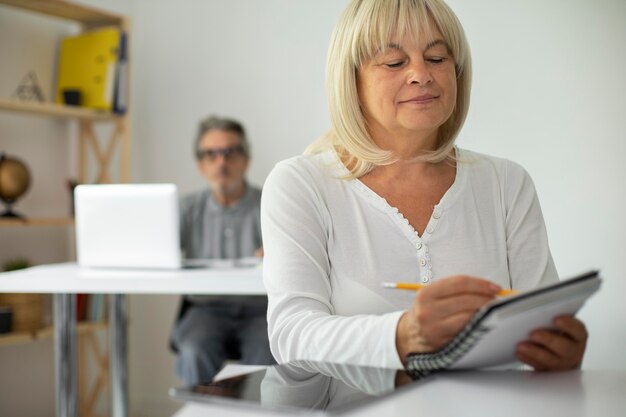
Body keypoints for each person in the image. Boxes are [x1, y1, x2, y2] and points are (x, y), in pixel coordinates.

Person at [261, 0, 587, 372]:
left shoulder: (507, 184)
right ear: (351, 79)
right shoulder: (300, 185)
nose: (421, 74)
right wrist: (402, 335)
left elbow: (539, 324)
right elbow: (291, 336)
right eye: (394, 62)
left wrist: (558, 354)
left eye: (436, 57)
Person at [170, 115, 275, 385]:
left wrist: (279, 253)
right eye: (211, 154)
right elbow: (156, 254)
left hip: (260, 311)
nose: (221, 162)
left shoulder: (273, 204)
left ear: (246, 159)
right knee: (193, 349)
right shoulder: (185, 209)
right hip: (206, 309)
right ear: (199, 164)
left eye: (230, 152)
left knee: (268, 351)